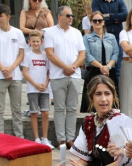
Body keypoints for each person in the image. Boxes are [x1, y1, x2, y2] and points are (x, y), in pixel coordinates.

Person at [45, 6, 86, 148]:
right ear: (59, 16)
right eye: (68, 15)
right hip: (57, 75)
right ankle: (61, 139)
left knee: (72, 108)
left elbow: (82, 54)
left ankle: (70, 138)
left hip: (74, 75)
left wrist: (73, 67)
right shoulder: (50, 32)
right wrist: (65, 67)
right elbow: (50, 54)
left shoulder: (76, 32)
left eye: (72, 15)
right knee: (59, 108)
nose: (71, 18)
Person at [81, 11, 119, 114]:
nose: (97, 22)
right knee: (93, 97)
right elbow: (86, 55)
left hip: (109, 71)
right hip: (93, 70)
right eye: (95, 21)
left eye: (100, 20)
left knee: (110, 97)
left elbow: (116, 53)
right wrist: (101, 67)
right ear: (91, 23)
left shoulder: (111, 37)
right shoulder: (87, 38)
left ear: (103, 22)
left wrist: (108, 67)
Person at [22, 30, 51, 148]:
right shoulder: (27, 55)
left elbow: (49, 72)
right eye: (33, 41)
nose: (35, 43)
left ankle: (45, 138)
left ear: (41, 42)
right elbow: (25, 72)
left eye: (37, 41)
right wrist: (35, 84)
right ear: (29, 42)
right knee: (34, 113)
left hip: (44, 89)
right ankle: (36, 138)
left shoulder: (46, 55)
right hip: (32, 89)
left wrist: (45, 83)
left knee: (45, 113)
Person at [0, 5, 25, 138]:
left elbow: (21, 54)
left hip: (15, 76)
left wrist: (10, 68)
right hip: (0, 76)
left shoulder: (17, 32)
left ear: (8, 17)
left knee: (16, 109)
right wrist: (4, 69)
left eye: (1, 16)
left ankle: (19, 137)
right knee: (0, 109)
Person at [92, 0, 128, 81]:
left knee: (118, 70)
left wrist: (108, 15)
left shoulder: (119, 1)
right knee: (102, 69)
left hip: (117, 38)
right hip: (102, 38)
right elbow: (97, 19)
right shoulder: (96, 2)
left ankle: (118, 92)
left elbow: (125, 16)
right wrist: (116, 19)